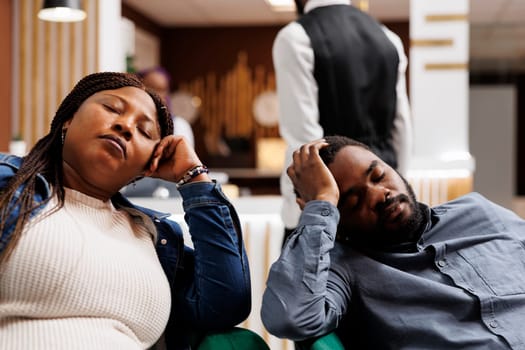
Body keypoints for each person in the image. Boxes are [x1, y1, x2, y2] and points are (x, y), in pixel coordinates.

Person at [0, 72, 251, 350]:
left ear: (148, 165)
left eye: (145, 132)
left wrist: (194, 177)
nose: (126, 126)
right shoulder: (9, 184)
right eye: (111, 109)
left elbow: (226, 303)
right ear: (68, 120)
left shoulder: (153, 236)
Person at [261, 135, 525, 348]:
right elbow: (291, 319)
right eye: (354, 202)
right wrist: (321, 204)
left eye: (378, 176)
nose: (380, 195)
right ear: (338, 221)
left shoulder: (479, 212)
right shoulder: (346, 269)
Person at [274, 0, 413, 240]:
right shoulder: (389, 38)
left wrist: (295, 217)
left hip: (339, 209)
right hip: (385, 210)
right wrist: (395, 185)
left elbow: (304, 141)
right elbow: (401, 127)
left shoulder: (295, 37)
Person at [137, 66, 195, 148]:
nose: (156, 94)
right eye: (151, 88)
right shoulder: (130, 120)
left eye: (162, 89)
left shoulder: (179, 125)